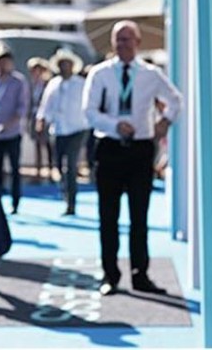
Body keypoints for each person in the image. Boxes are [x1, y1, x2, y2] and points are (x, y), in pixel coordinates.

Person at [83, 20, 183, 296]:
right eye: (118, 39)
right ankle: (110, 275)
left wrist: (165, 122)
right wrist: (114, 124)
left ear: (137, 42)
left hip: (140, 150)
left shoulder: (150, 74)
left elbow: (176, 100)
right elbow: (89, 111)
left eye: (127, 39)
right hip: (110, 148)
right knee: (108, 217)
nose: (121, 44)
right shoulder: (100, 73)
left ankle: (141, 274)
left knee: (139, 217)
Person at [36, 49, 89, 215]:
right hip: (59, 130)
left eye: (67, 63)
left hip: (77, 128)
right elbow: (46, 106)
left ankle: (71, 203)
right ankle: (65, 193)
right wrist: (42, 121)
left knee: (70, 166)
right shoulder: (53, 84)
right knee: (59, 164)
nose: (64, 66)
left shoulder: (81, 84)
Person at [0, 41, 29, 214]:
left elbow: (22, 107)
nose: (4, 65)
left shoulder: (18, 82)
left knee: (15, 168)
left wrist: (8, 124)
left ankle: (16, 202)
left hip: (12, 132)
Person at [26, 57, 53, 182]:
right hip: (33, 116)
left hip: (45, 117)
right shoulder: (30, 85)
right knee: (37, 144)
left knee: (47, 145)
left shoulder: (48, 84)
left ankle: (51, 170)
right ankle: (38, 171)